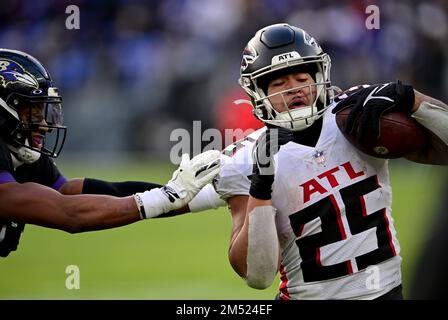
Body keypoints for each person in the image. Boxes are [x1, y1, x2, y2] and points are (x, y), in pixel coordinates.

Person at [213, 23, 448, 300]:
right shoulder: (250, 156)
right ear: (259, 92)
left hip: (385, 292)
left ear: (319, 74)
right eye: (278, 83)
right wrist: (261, 184)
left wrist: (410, 99)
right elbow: (259, 275)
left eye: (302, 78)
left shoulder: (355, 114)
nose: (294, 90)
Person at [0, 49, 221, 257]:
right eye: (33, 113)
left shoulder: (22, 155)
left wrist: (205, 195)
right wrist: (166, 197)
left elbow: (71, 193)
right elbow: (69, 214)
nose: (45, 125)